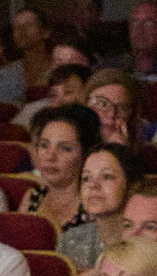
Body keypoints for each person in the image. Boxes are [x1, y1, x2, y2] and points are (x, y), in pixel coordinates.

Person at [21, 104, 102, 242]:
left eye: (65, 148)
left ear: (86, 154)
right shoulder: (31, 198)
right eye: (44, 145)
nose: (50, 157)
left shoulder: (96, 205)